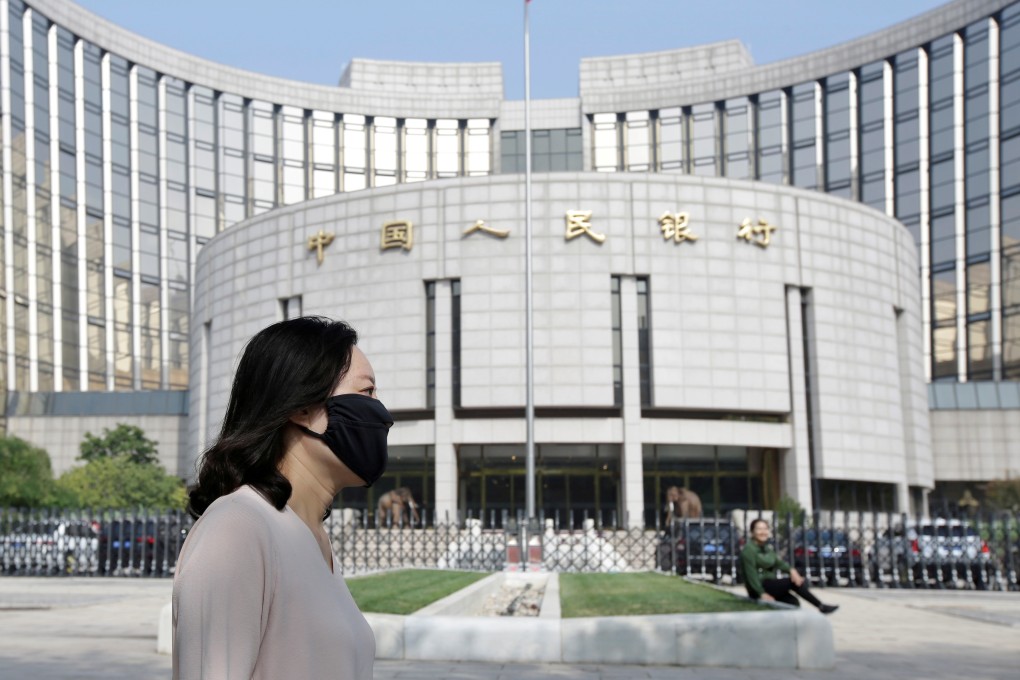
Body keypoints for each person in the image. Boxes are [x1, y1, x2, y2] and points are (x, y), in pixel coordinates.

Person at [172, 317, 393, 680]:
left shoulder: (312, 538)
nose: (381, 414)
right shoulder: (237, 527)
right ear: (300, 406)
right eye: (367, 392)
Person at [739, 518, 839, 615]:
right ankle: (821, 606)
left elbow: (779, 563)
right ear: (752, 532)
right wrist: (761, 594)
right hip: (760, 586)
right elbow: (750, 576)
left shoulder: (767, 548)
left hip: (770, 584)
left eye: (765, 529)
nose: (763, 532)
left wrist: (792, 571)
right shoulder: (749, 550)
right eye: (759, 529)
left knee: (792, 602)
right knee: (792, 582)